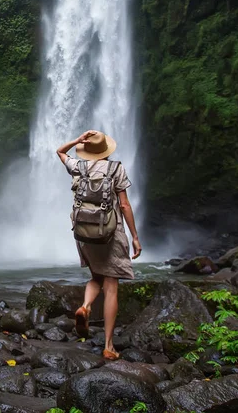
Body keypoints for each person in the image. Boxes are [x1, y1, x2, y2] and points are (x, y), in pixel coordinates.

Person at [57, 129, 142, 360]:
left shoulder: (78, 167)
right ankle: (108, 345)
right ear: (106, 150)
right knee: (111, 285)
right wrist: (134, 236)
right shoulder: (116, 169)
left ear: (87, 150)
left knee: (96, 277)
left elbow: (59, 151)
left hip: (84, 231)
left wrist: (76, 140)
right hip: (110, 232)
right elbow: (124, 206)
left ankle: (85, 306)